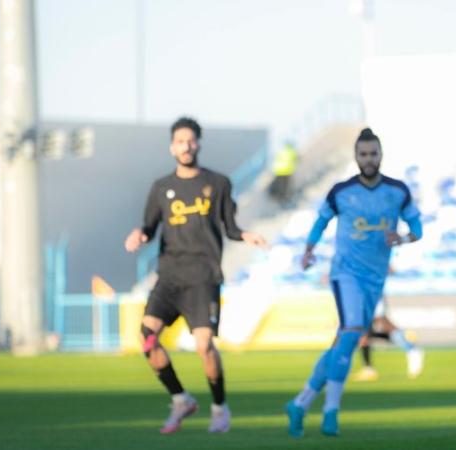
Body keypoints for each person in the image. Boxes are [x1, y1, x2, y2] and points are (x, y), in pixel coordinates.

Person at [124, 116, 268, 434]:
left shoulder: (218, 184)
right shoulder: (161, 188)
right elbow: (148, 226)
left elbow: (230, 227)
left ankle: (219, 407)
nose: (185, 146)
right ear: (171, 146)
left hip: (203, 276)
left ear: (198, 144)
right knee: (147, 340)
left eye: (190, 140)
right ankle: (180, 400)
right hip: (169, 276)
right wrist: (139, 235)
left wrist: (247, 235)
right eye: (179, 141)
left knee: (204, 346)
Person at [285, 127, 423, 438]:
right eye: (363, 154)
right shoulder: (340, 191)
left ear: (381, 155)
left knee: (341, 343)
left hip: (374, 279)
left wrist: (402, 237)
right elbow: (321, 220)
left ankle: (300, 403)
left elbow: (417, 226)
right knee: (349, 337)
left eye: (373, 153)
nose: (369, 159)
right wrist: (308, 250)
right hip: (345, 273)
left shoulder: (398, 191)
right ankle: (331, 412)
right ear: (356, 156)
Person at [352, 296, 425, 381]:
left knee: (383, 325)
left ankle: (411, 348)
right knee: (364, 335)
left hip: (370, 295)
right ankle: (368, 369)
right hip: (363, 297)